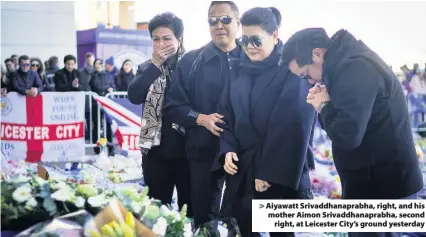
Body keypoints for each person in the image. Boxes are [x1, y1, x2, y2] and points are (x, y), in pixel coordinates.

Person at [280, 28, 424, 237]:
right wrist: (325, 104)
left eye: (306, 74)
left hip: (380, 186)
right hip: (372, 181)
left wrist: (323, 106)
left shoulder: (355, 69)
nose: (309, 81)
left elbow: (347, 136)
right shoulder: (345, 65)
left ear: (317, 54)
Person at [216, 7, 315, 237]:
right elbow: (226, 115)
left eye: (256, 40)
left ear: (274, 35)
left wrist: (269, 172)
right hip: (243, 172)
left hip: (280, 173)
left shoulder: (292, 70)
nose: (249, 46)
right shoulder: (238, 69)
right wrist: (227, 148)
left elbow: (293, 126)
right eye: (245, 39)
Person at [164, 1, 241, 227]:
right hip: (202, 148)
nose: (219, 25)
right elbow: (172, 105)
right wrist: (200, 119)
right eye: (213, 21)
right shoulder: (191, 61)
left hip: (243, 151)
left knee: (241, 217)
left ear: (238, 22)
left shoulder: (251, 58)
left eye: (226, 19)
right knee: (205, 218)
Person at [127, 12, 190, 213]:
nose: (161, 44)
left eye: (166, 38)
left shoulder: (192, 64)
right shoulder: (146, 67)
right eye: (156, 39)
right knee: (156, 211)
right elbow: (134, 96)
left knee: (189, 211)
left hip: (187, 150)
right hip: (155, 150)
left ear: (179, 39)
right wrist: (155, 66)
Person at [90, 59, 114, 155]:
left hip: (107, 104)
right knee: (96, 126)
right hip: (96, 104)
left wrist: (112, 89)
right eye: (97, 63)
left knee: (108, 125)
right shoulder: (92, 75)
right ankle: (97, 149)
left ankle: (110, 148)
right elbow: (93, 86)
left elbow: (113, 85)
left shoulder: (108, 75)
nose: (99, 65)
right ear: (94, 65)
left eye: (101, 63)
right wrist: (104, 91)